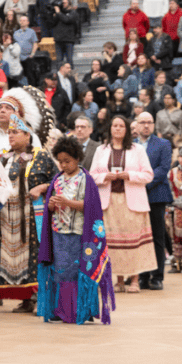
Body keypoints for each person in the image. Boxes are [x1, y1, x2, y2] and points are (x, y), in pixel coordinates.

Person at [37, 136, 115, 324]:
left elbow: (91, 207)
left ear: (77, 159)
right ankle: (60, 310)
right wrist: (51, 205)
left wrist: (67, 203)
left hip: (79, 233)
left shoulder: (86, 179)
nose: (64, 165)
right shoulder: (56, 179)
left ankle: (78, 310)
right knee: (60, 271)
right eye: (61, 161)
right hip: (58, 232)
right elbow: (50, 206)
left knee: (74, 270)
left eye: (68, 161)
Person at [0, 113, 58, 312]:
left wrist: (42, 188)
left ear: (28, 136)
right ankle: (26, 298)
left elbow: (60, 181)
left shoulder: (41, 155)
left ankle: (41, 297)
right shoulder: (3, 157)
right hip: (7, 217)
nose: (11, 136)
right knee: (12, 259)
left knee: (35, 255)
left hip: (32, 215)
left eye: (16, 132)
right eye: (9, 133)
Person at [90, 115, 156, 294]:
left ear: (126, 129)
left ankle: (134, 280)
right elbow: (91, 175)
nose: (117, 128)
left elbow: (148, 175)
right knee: (112, 243)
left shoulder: (138, 150)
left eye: (121, 126)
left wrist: (129, 175)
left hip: (131, 201)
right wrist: (105, 177)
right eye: (114, 125)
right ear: (110, 128)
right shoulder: (101, 150)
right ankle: (118, 280)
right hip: (109, 202)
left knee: (132, 241)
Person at [134, 112, 172, 291]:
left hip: (155, 195)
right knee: (140, 237)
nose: (146, 125)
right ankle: (142, 275)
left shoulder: (163, 144)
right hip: (135, 195)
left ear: (154, 125)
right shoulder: (131, 145)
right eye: (143, 122)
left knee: (157, 236)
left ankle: (157, 276)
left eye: (149, 122)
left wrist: (143, 182)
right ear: (137, 125)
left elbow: (163, 169)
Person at [53, 0, 78, 68]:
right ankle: (59, 77)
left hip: (68, 39)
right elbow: (52, 23)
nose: (62, 4)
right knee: (59, 60)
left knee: (69, 60)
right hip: (58, 40)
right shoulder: (59, 13)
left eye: (64, 3)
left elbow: (67, 20)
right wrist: (55, 15)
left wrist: (58, 13)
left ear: (69, 4)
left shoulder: (73, 13)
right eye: (62, 3)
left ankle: (71, 76)